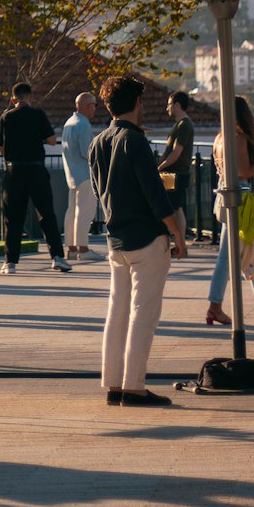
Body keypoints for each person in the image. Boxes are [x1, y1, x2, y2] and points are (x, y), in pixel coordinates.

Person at [89, 74, 187, 408]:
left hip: (116, 239)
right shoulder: (135, 141)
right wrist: (177, 234)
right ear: (137, 103)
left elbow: (98, 191)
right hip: (147, 239)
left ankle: (113, 384)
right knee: (143, 314)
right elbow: (155, 193)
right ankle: (134, 387)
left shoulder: (98, 142)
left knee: (116, 313)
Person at [205, 95, 254, 327]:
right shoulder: (239, 138)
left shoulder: (220, 138)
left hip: (223, 197)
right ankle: (215, 305)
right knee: (244, 252)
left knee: (247, 252)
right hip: (240, 199)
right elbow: (245, 171)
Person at [0, 82, 71, 274]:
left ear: (13, 98)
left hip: (14, 171)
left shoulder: (6, 117)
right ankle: (57, 257)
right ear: (30, 97)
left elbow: (1, 148)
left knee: (13, 218)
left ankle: (10, 262)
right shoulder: (38, 115)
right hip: (35, 169)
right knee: (47, 214)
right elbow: (52, 140)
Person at [61, 92, 99, 261]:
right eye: (94, 105)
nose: (95, 109)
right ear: (86, 106)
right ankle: (83, 250)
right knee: (85, 212)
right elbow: (87, 152)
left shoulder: (69, 122)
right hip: (84, 174)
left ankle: (71, 249)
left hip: (72, 175)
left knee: (72, 213)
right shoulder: (83, 124)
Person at [157, 90, 194, 244]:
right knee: (174, 206)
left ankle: (179, 240)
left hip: (176, 173)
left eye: (169, 105)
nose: (167, 108)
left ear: (177, 105)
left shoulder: (184, 125)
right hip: (173, 173)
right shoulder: (180, 125)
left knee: (175, 207)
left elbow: (176, 152)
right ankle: (179, 239)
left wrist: (160, 167)